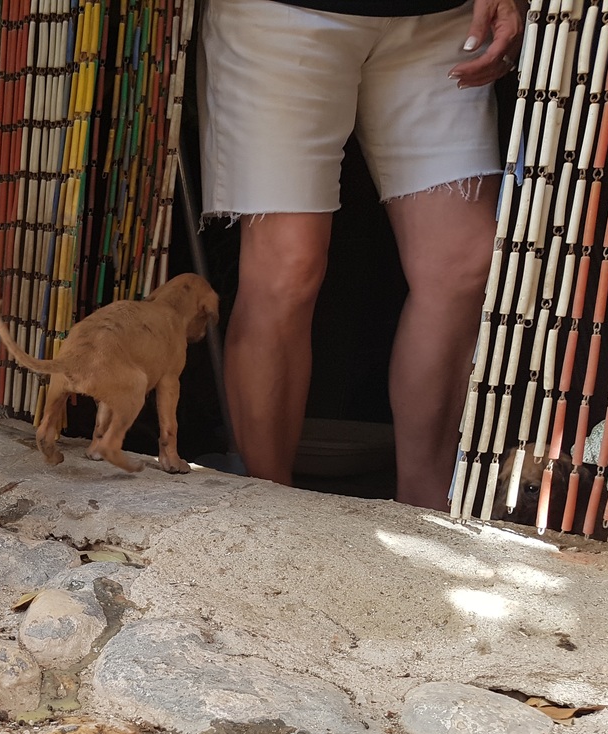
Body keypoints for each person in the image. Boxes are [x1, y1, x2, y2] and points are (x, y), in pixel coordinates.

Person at [198, 0, 525, 508]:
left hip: (442, 17)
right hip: (284, 13)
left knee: (464, 262)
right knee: (287, 267)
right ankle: (267, 510)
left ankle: (426, 509)